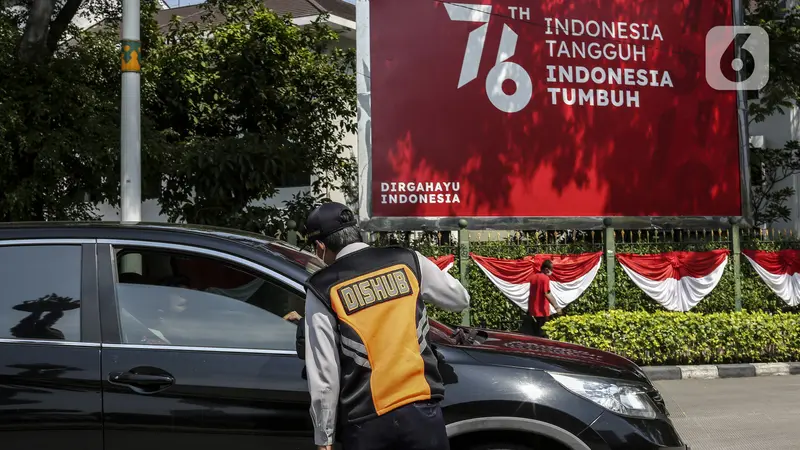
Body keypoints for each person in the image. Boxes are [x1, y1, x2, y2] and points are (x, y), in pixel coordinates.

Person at [302, 202, 470, 450]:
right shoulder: (407, 260)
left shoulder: (321, 287)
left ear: (320, 247)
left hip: (366, 421)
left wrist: (324, 436)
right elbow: (460, 299)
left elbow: (324, 370)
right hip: (421, 411)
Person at [523, 259, 562, 338]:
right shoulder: (545, 278)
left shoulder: (533, 277)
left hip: (532, 311)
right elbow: (547, 294)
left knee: (533, 336)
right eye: (551, 270)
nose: (552, 272)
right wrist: (557, 307)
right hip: (542, 313)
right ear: (547, 269)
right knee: (542, 336)